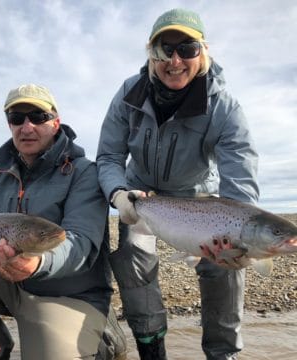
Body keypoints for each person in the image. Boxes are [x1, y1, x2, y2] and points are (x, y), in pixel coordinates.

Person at [96, 8, 259, 360]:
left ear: (203, 52)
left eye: (187, 49)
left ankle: (223, 353)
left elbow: (240, 177)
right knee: (133, 260)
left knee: (223, 267)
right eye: (164, 49)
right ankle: (151, 350)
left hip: (200, 198)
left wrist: (239, 235)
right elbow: (109, 157)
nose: (175, 60)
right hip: (141, 198)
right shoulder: (128, 94)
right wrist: (118, 193)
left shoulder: (224, 108)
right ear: (151, 53)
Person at [0, 84, 127, 360]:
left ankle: (104, 336)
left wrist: (37, 263)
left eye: (37, 117)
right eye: (17, 118)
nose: (27, 127)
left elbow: (81, 243)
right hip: (9, 283)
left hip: (68, 293)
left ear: (55, 122)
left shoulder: (84, 172)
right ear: (9, 124)